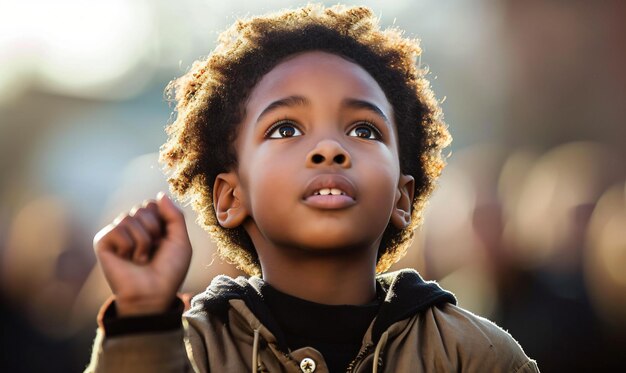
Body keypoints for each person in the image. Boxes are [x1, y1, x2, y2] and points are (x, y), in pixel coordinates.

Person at [85, 4, 538, 372]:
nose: (329, 149)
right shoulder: (190, 352)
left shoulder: (475, 356)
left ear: (402, 197)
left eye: (363, 130)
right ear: (230, 197)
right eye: (285, 129)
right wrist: (142, 318)